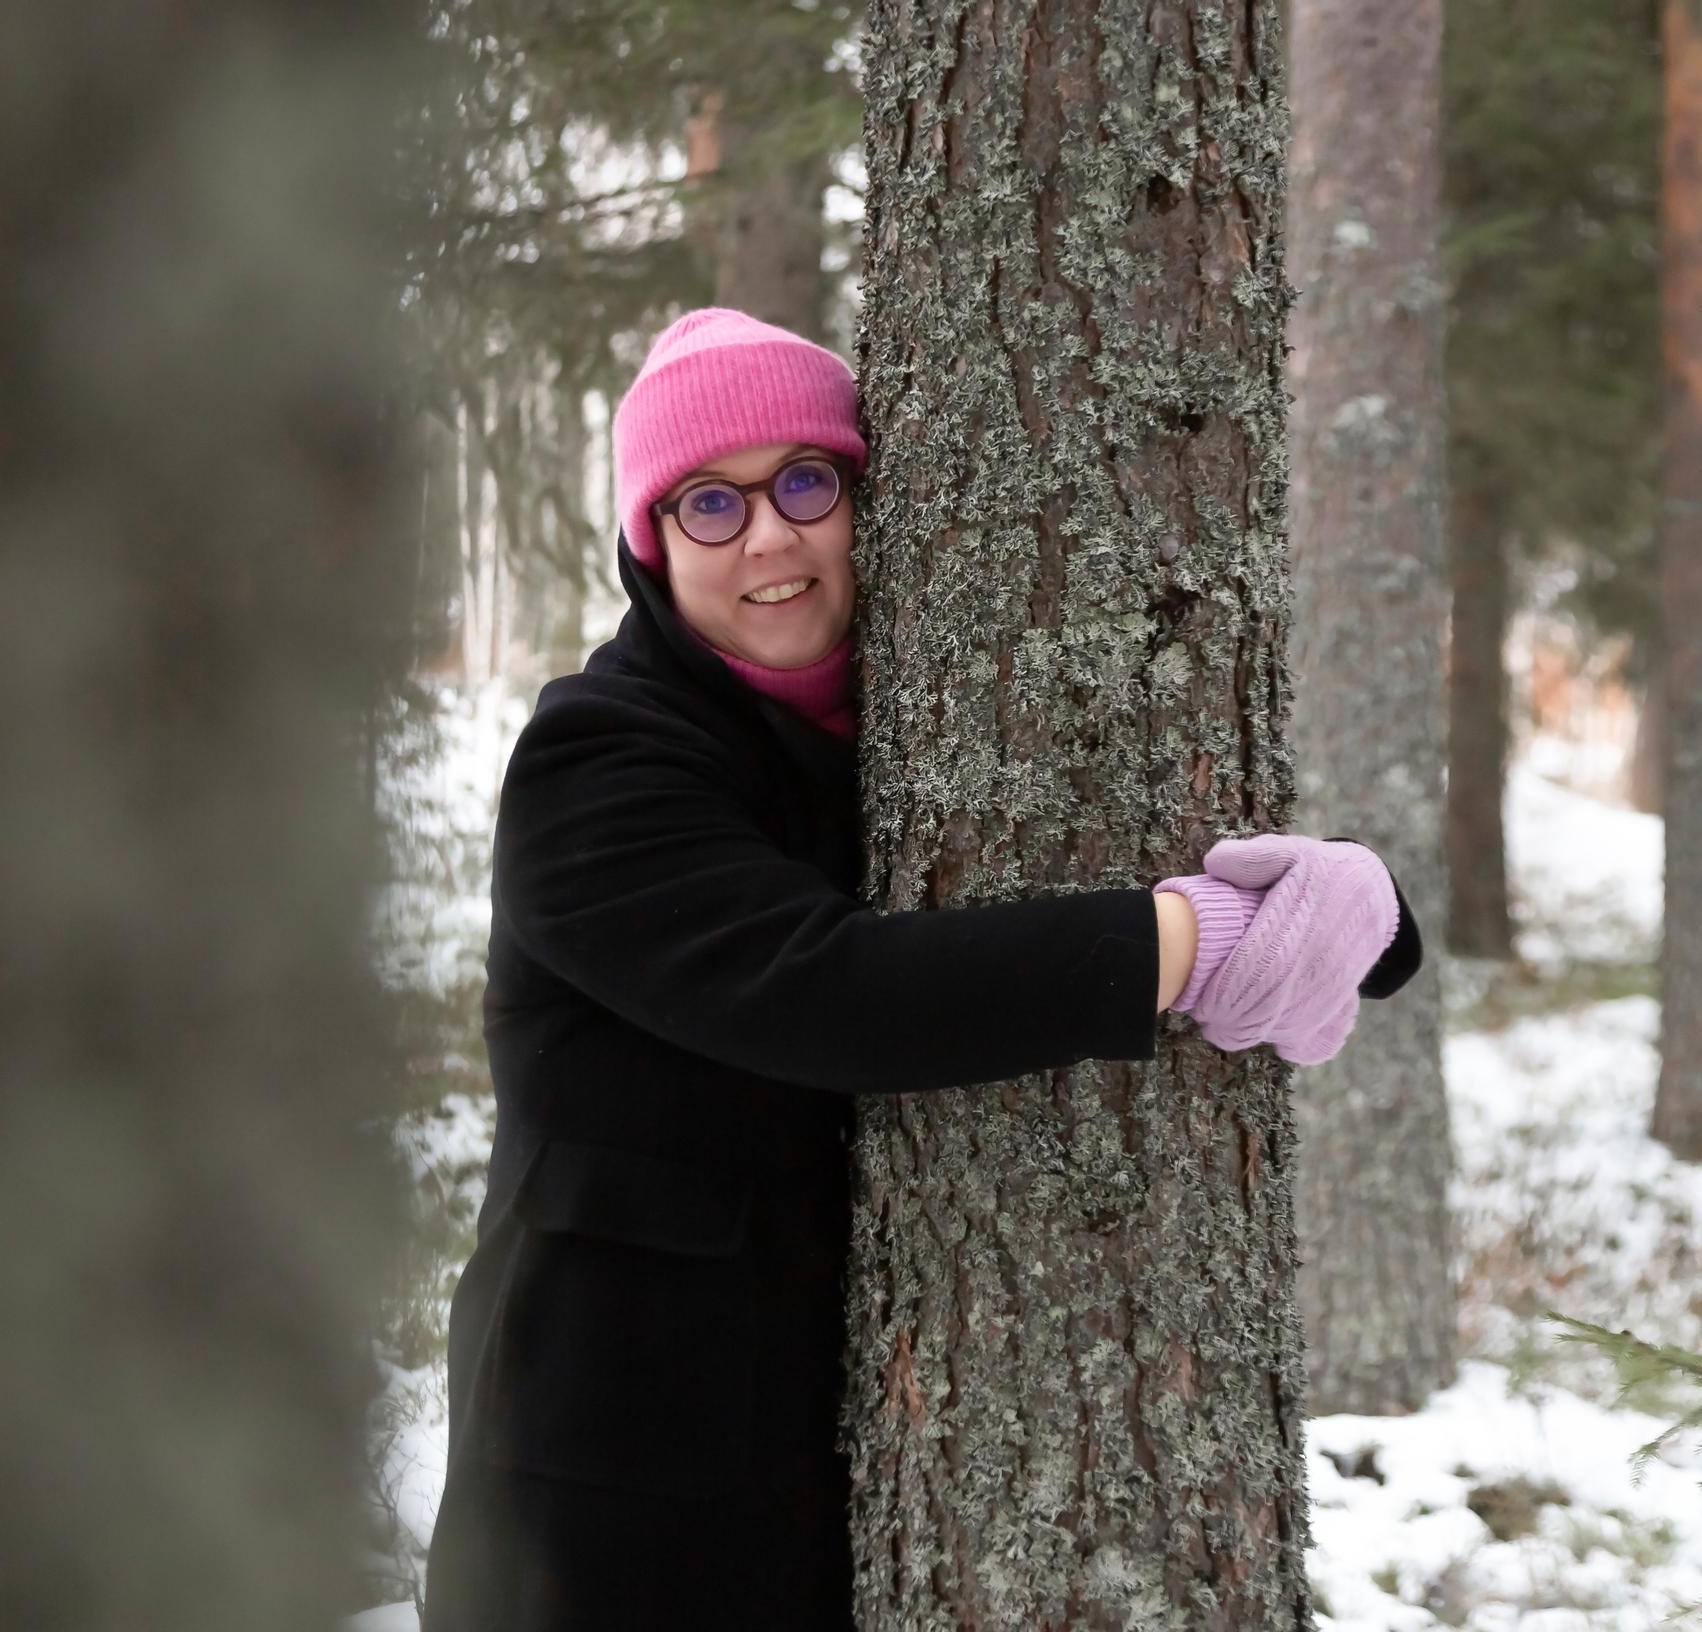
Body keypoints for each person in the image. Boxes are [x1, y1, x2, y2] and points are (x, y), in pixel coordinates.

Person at [419, 308, 1422, 1628]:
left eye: (803, 481)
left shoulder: (899, 729)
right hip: (604, 1497)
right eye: (708, 504)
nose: (768, 536)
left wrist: (1360, 913)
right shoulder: (597, 760)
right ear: (651, 548)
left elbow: (1350, 941)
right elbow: (828, 990)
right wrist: (1196, 943)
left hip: (828, 1465)